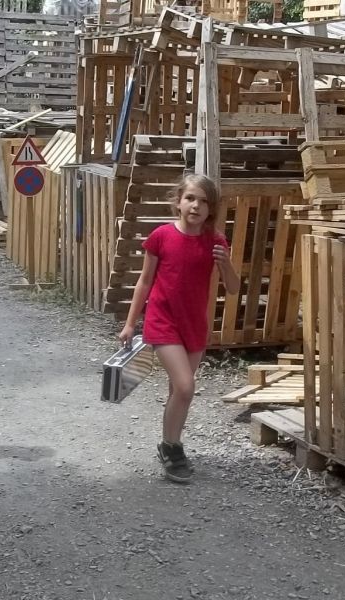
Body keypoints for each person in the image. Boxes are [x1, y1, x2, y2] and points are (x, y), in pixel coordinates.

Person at [119, 174, 240, 483]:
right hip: (163, 321)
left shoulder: (215, 241)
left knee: (178, 391)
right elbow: (145, 281)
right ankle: (172, 448)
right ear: (178, 202)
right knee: (186, 387)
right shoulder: (161, 236)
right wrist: (130, 323)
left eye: (204, 201)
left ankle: (170, 443)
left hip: (194, 324)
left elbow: (233, 288)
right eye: (190, 198)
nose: (196, 206)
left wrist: (226, 263)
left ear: (211, 208)